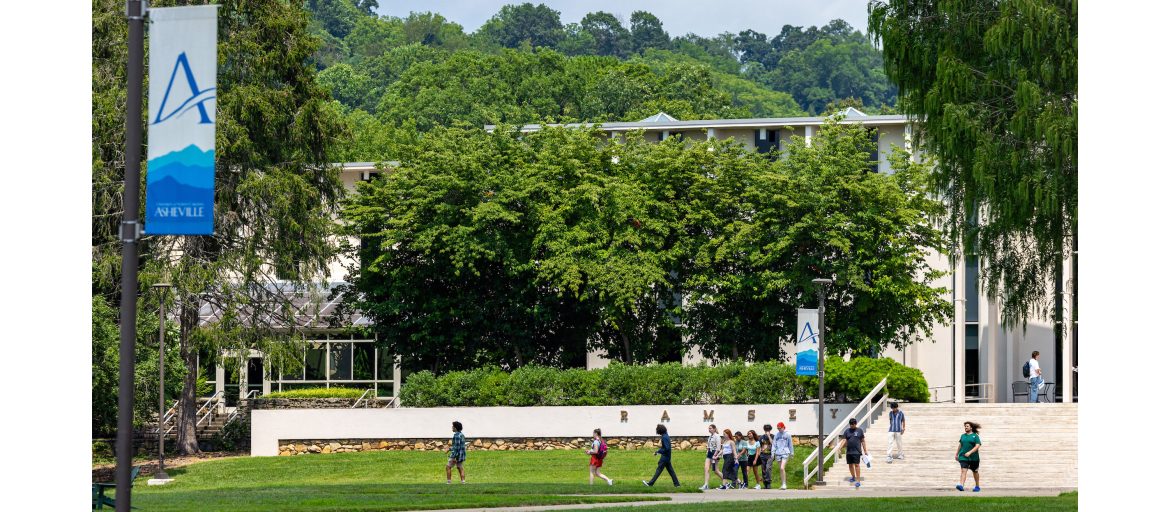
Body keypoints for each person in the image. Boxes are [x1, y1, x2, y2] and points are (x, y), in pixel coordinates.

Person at [955, 421, 982, 492]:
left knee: (975, 471)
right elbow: (960, 445)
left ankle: (977, 486)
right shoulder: (963, 436)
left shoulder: (975, 436)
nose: (965, 427)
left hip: (974, 458)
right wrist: (956, 454)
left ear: (971, 427)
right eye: (965, 426)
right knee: (963, 470)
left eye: (967, 426)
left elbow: (977, 445)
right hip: (963, 456)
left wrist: (970, 452)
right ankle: (961, 485)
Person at [842, 418, 867, 488]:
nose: (852, 425)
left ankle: (858, 481)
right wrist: (840, 448)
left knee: (857, 465)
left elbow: (863, 441)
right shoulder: (847, 431)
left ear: (856, 423)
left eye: (853, 424)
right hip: (849, 451)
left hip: (857, 451)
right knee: (850, 465)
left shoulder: (860, 431)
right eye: (851, 424)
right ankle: (853, 477)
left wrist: (865, 450)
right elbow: (844, 441)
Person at [772, 422, 794, 490]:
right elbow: (774, 444)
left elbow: (790, 444)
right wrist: (772, 453)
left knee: (782, 468)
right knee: (781, 470)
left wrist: (792, 453)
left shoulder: (788, 435)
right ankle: (783, 483)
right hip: (778, 453)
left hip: (785, 452)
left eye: (780, 428)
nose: (779, 429)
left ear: (783, 427)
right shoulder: (776, 435)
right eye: (778, 428)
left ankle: (784, 484)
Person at [701, 424, 723, 490]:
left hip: (715, 453)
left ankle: (725, 482)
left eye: (710, 428)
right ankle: (706, 485)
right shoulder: (710, 436)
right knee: (706, 468)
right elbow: (709, 445)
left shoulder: (717, 436)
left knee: (716, 471)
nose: (709, 429)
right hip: (709, 453)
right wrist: (707, 450)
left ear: (714, 429)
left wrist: (715, 455)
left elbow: (718, 447)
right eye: (709, 428)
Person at [759, 424, 774, 489]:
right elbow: (759, 446)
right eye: (766, 430)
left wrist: (768, 436)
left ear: (770, 430)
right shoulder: (761, 437)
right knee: (763, 469)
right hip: (762, 455)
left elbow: (773, 443)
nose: (767, 431)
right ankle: (765, 483)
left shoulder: (773, 436)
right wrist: (760, 451)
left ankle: (768, 483)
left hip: (770, 455)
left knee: (768, 468)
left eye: (768, 430)